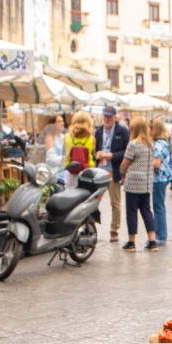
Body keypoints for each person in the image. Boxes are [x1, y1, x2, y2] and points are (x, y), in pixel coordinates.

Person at [120, 115, 158, 251]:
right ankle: (152, 241)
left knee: (131, 212)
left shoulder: (133, 145)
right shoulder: (150, 145)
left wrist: (122, 174)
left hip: (133, 184)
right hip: (146, 184)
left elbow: (124, 164)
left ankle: (131, 242)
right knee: (147, 211)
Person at [94, 105, 129, 242]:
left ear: (115, 117)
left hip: (114, 170)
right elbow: (94, 150)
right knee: (94, 201)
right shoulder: (98, 131)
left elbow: (127, 151)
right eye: (105, 116)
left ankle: (114, 230)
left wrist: (113, 155)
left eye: (109, 116)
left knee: (115, 203)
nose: (107, 119)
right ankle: (90, 227)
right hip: (100, 170)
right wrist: (97, 154)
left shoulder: (122, 131)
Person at [150, 117, 172, 244]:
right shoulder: (161, 142)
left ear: (154, 130)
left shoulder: (158, 144)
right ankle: (160, 234)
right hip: (160, 178)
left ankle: (161, 235)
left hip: (159, 178)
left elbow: (156, 164)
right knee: (158, 206)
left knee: (158, 206)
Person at [63, 110, 95, 190]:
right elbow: (93, 155)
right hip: (87, 173)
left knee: (69, 197)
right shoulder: (91, 139)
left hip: (70, 173)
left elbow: (64, 154)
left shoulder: (67, 137)